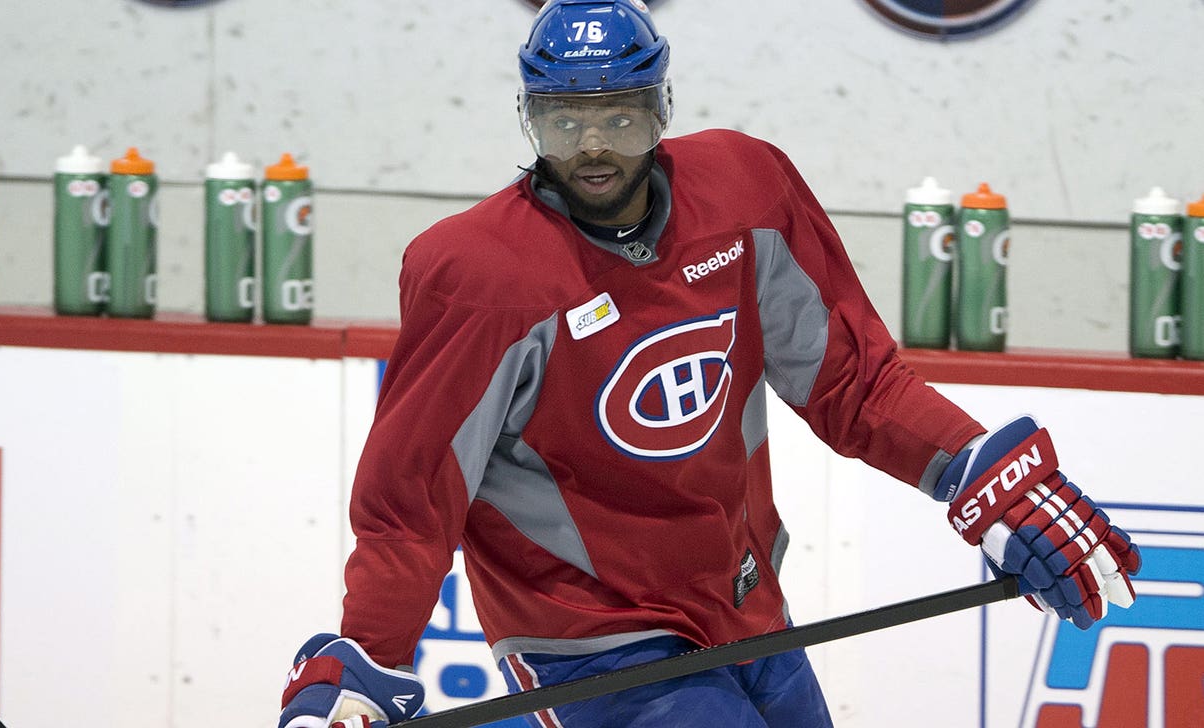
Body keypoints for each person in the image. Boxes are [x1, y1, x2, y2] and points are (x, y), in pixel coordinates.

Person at [277, 2, 1142, 727]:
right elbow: (414, 498)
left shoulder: (746, 195)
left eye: (619, 116)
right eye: (563, 119)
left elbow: (852, 380)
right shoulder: (479, 276)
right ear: (529, 118)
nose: (591, 147)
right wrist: (370, 653)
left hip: (744, 599)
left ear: (661, 109)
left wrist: (975, 474)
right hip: (589, 638)